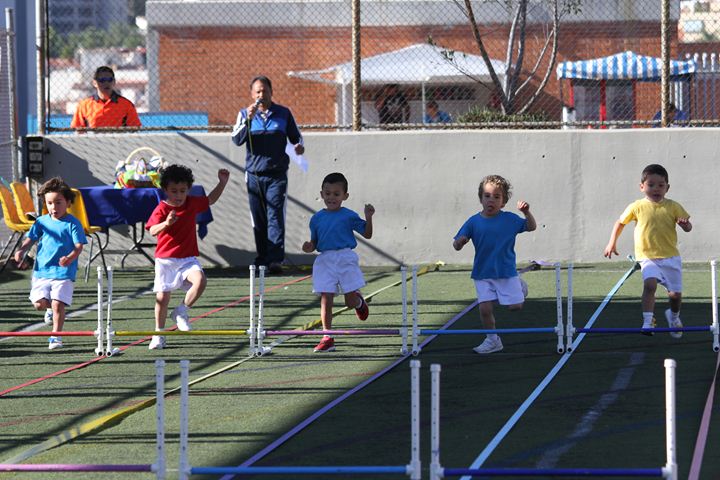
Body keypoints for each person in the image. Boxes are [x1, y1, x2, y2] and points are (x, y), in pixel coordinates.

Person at [145, 164, 230, 349]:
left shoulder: (191, 203)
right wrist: (166, 223)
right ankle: (158, 334)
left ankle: (181, 311)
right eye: (174, 191)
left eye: (182, 191)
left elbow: (210, 200)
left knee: (200, 281)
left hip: (187, 258)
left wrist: (222, 183)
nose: (178, 195)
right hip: (166, 260)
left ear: (188, 190)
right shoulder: (162, 208)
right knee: (162, 298)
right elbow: (152, 230)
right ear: (165, 190)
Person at [603, 164, 692, 337]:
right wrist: (611, 242)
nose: (656, 189)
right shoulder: (637, 206)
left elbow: (688, 227)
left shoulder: (673, 206)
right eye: (651, 185)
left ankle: (674, 316)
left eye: (661, 185)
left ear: (667, 187)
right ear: (642, 186)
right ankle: (648, 320)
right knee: (649, 285)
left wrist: (685, 225)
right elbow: (620, 223)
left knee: (675, 295)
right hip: (647, 257)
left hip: (671, 257)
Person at [453, 175, 536, 354]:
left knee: (515, 307)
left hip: (506, 271)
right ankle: (493, 340)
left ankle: (520, 287)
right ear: (481, 199)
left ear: (503, 202)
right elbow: (457, 244)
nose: (491, 200)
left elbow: (531, 227)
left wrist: (526, 213)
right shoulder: (473, 221)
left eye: (497, 197)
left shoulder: (510, 219)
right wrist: (459, 242)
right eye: (487, 195)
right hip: (482, 273)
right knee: (484, 309)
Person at [231, 75, 304, 274]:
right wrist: (248, 119)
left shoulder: (283, 113)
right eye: (258, 92)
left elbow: (297, 138)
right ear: (252, 94)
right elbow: (236, 140)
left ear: (272, 92)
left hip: (277, 174)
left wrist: (299, 147)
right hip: (254, 175)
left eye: (265, 91)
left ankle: (275, 260)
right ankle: (262, 257)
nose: (261, 95)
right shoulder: (244, 114)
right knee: (259, 218)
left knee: (275, 215)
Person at [301, 172, 375, 352]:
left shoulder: (348, 215)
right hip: (325, 259)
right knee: (326, 297)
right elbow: (315, 243)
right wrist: (309, 246)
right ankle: (327, 336)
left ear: (345, 196)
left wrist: (369, 217)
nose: (331, 198)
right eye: (327, 193)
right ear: (321, 194)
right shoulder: (316, 218)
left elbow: (367, 234)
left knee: (349, 302)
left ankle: (358, 302)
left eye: (336, 194)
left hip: (345, 257)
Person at [13, 177, 87, 350]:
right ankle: (48, 311)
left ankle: (56, 336)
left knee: (57, 303)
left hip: (63, 272)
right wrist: (21, 250)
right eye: (50, 203)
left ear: (68, 202)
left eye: (58, 202)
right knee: (39, 304)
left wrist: (70, 257)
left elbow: (79, 246)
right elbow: (31, 237)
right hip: (42, 271)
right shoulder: (41, 222)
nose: (54, 207)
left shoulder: (73, 224)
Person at [70, 65, 141, 130]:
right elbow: (78, 130)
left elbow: (135, 130)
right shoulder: (84, 105)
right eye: (102, 80)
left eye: (109, 80)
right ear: (95, 83)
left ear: (114, 82)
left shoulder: (126, 105)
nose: (106, 83)